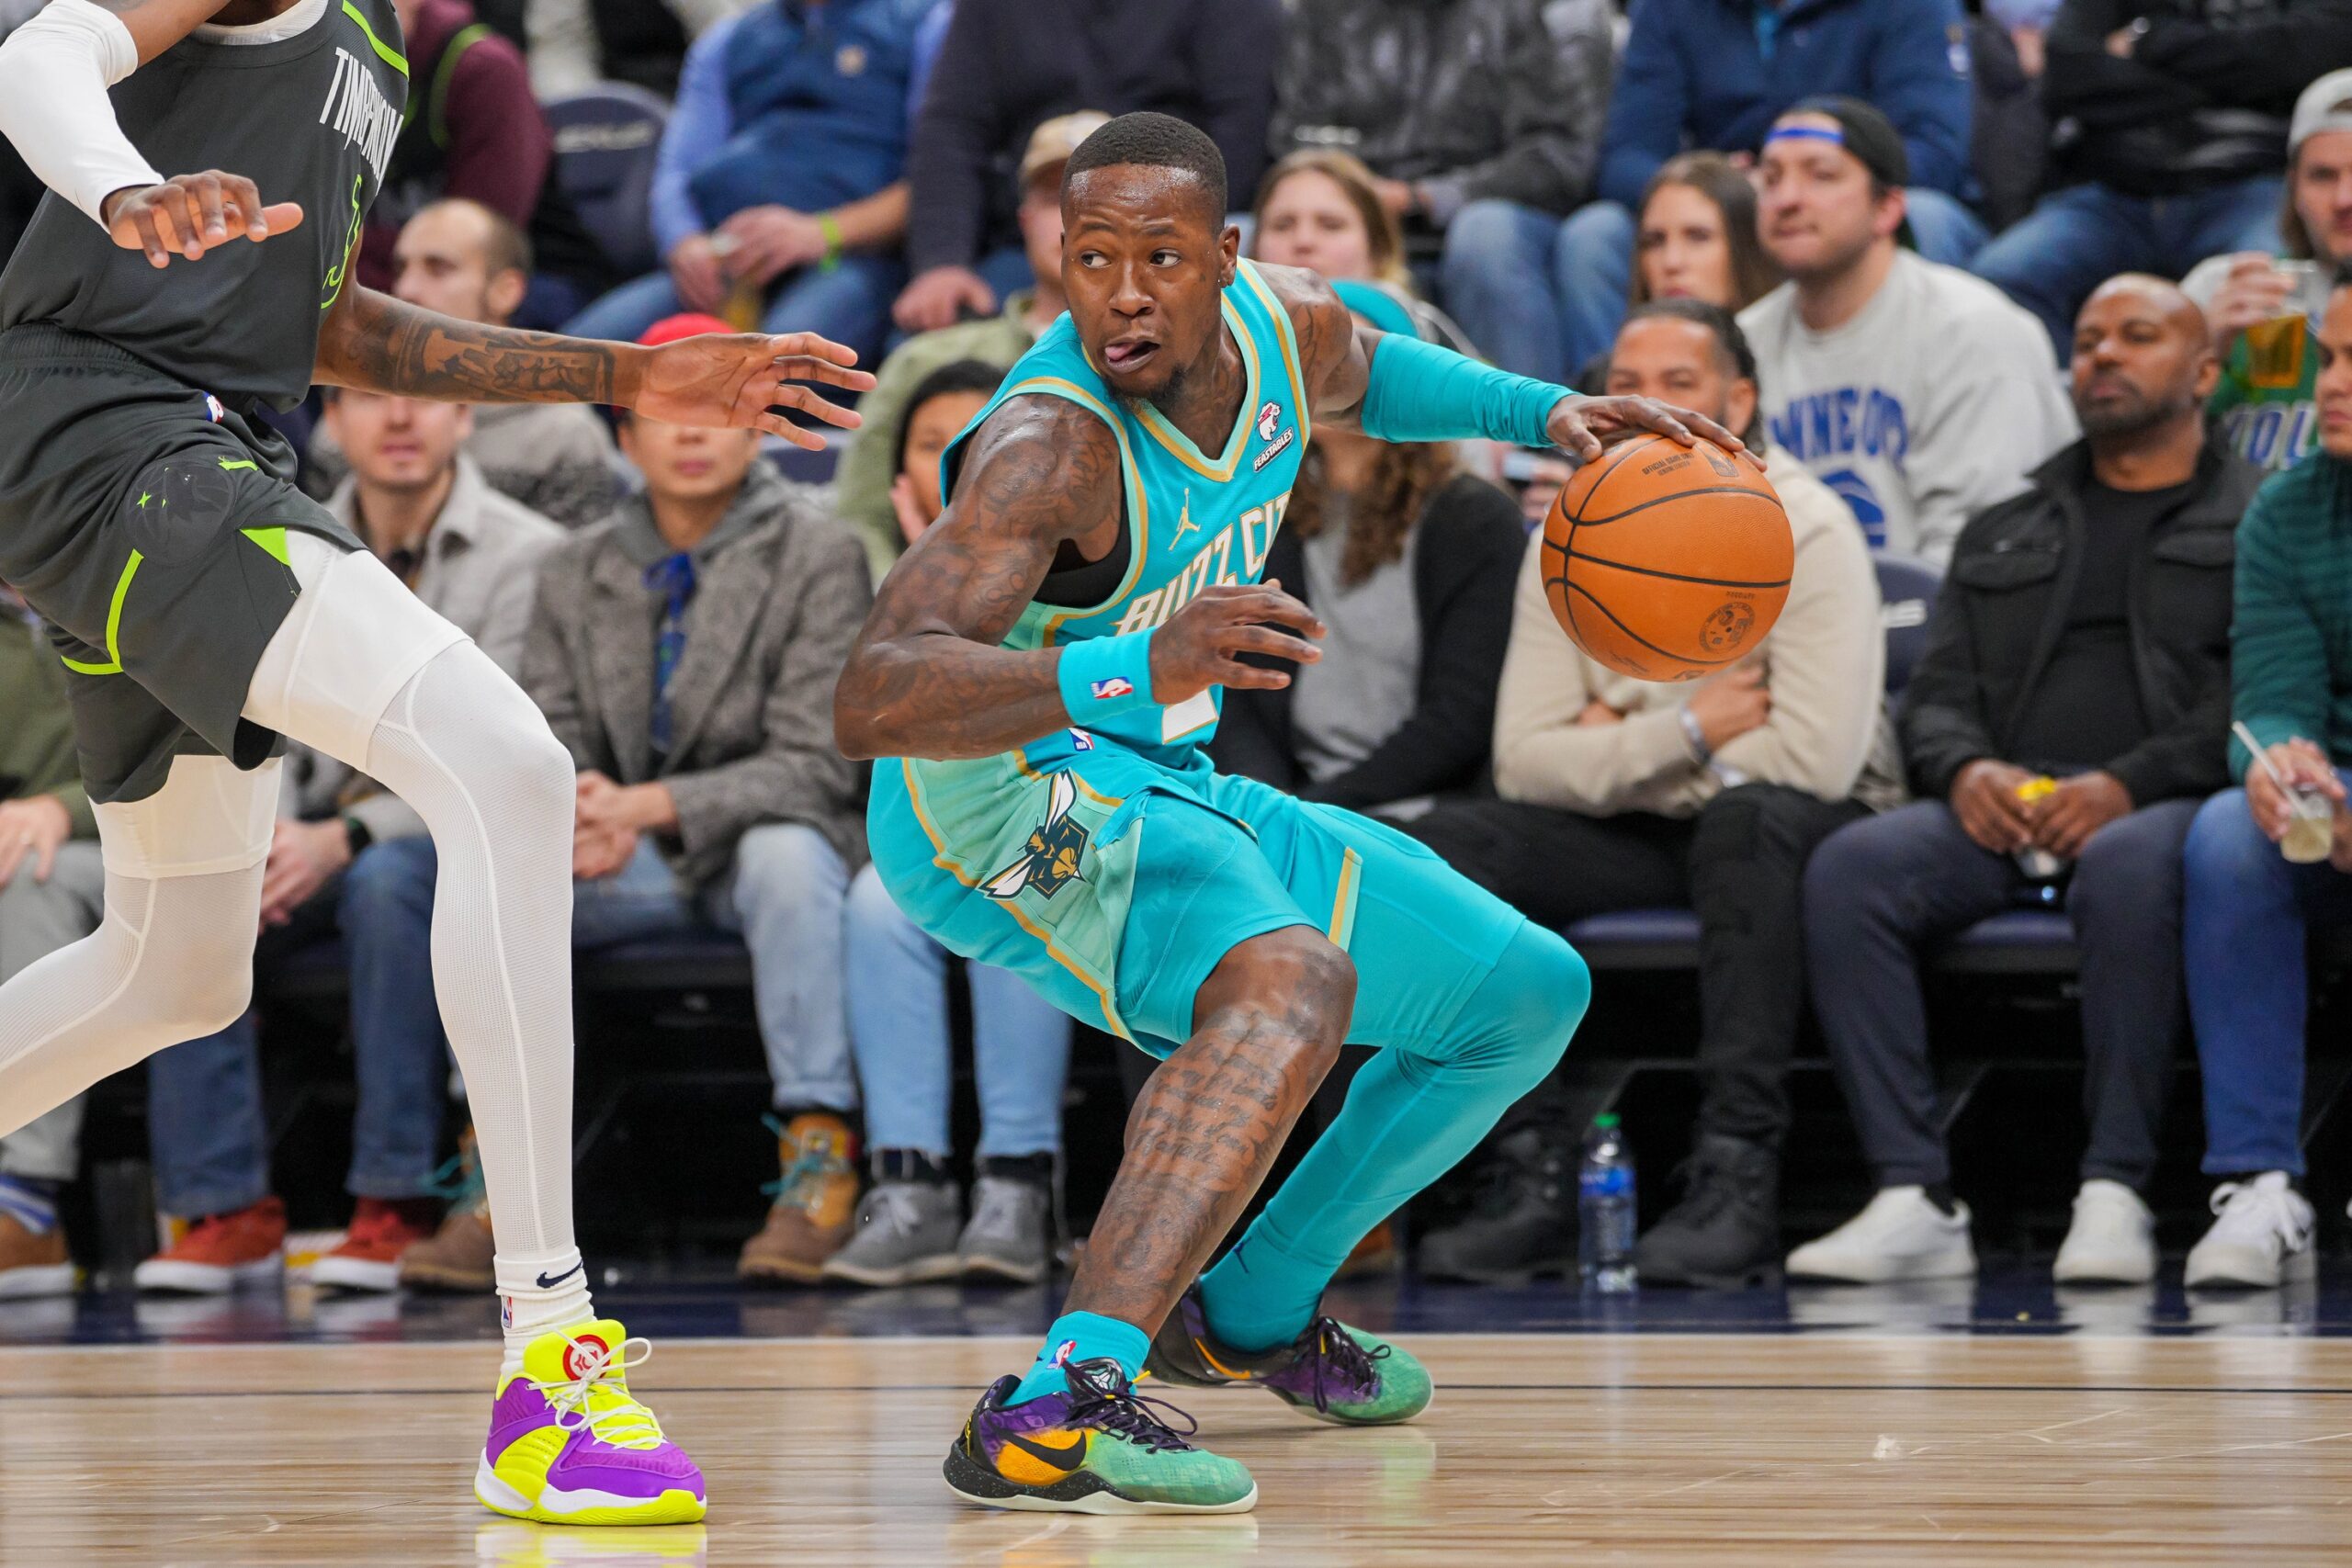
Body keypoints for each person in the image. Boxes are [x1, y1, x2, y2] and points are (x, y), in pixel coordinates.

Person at [0, 0, 874, 1522]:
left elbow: (330, 321)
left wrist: (622, 380)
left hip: (196, 442)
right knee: (512, 770)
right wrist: (119, 185)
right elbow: (39, 50)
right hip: (105, 430)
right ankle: (549, 1356)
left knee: (177, 970)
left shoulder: (388, 48)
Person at [835, 111, 1733, 1514]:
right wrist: (1140, 661)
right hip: (1003, 806)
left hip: (1159, 775)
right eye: (1092, 259)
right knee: (1292, 978)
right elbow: (876, 696)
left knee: (1524, 993)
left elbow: (1370, 368)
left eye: (1161, 258)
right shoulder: (1045, 447)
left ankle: (1250, 1309)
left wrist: (1543, 414)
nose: (1125, 292)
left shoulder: (1281, 323)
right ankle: (1055, 1403)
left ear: (1225, 259)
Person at [1406, 299, 1898, 1289]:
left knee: (1747, 820)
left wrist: (1616, 747)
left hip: (1793, 830)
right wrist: (1685, 731)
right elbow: (1524, 761)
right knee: (1461, 839)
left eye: (1681, 383)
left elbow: (1809, 761)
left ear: (1741, 400)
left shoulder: (1807, 524)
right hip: (1649, 820)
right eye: (1632, 383)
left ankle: (1735, 1176)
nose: (1651, 406)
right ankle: (1532, 1167)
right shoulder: (1575, 527)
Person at [1790, 276, 2254, 1288]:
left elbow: (2249, 697)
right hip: (2004, 805)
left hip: (2159, 804)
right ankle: (1912, 1191)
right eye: (2087, 341)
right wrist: (1963, 769)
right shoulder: (2008, 521)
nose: (2103, 357)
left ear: (2205, 373)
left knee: (2130, 867)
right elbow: (1938, 690)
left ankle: (2115, 1188)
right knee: (1851, 868)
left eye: (2137, 337)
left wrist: (2127, 784)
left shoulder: (2252, 519)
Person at [131, 386, 561, 1296]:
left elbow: (523, 748)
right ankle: (222, 1208)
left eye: (422, 401)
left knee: (389, 880)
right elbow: (256, 705)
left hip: (449, 833)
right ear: (330, 423)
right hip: (316, 814)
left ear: (465, 418)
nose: (400, 419)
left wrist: (349, 834)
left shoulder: (530, 553)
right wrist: (265, 830)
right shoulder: (288, 536)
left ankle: (394, 1199)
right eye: (370, 398)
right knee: (197, 878)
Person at [825, 358, 1077, 1289]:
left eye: (987, 451)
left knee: (1025, 881)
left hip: (1064, 830)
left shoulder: (1077, 578)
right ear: (901, 491)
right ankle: (908, 1183)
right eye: (937, 453)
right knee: (870, 901)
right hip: (917, 853)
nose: (965, 472)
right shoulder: (865, 592)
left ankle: (1018, 1177)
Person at [2175, 273, 2352, 1292]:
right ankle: (2257, 1182)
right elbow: (2272, 694)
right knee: (2224, 837)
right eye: (2326, 359)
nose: (2330, 386)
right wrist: (2276, 763)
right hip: (2339, 793)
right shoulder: (2287, 509)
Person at [1521, 0, 1982, 382]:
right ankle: (1606, 424)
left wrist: (1810, 181)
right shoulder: (1669, 7)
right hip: (1718, 196)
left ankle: (1896, 390)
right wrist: (1716, 188)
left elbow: (1934, 152)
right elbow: (1626, 155)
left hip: (1849, 188)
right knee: (1595, 234)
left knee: (1924, 216)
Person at [1740, 98, 2077, 565]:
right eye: (1771, 178)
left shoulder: (1974, 331)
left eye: (1821, 175)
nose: (1788, 198)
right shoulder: (1743, 343)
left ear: (1888, 208)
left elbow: (1983, 554)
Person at [563, 0, 937, 365]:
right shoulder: (730, 38)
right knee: (574, 360)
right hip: (725, 260)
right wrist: (685, 242)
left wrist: (821, 232)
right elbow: (676, 170)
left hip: (848, 256)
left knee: (769, 367)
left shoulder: (925, 22)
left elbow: (943, 173)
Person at [1973, 0, 2352, 357]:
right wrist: (2231, 86)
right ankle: (2085, 418)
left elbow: (2321, 51)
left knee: (2269, 290)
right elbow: (2066, 71)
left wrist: (2150, 43)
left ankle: (2253, 420)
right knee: (2002, 279)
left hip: (2249, 187)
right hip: (2116, 194)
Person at [892, 0, 1281, 334]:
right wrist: (942, 261)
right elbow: (952, 129)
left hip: (1168, 231)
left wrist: (1162, 235)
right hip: (1021, 240)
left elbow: (1239, 129)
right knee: (933, 344)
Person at [1268, 0, 1611, 375]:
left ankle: (1522, 421)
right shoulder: (1324, 11)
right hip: (1347, 194)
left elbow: (1560, 155)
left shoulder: (1541, 11)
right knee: (1242, 233)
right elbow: (1292, 134)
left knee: (1485, 236)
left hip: (1491, 210)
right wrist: (1346, 190)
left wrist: (1425, 197)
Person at [834, 112, 1106, 583]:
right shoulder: (923, 362)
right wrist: (912, 613)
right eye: (1053, 199)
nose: (1075, 218)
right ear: (1024, 220)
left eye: (1100, 198)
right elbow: (861, 518)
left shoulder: (1177, 366)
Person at [306, 199, 620, 527]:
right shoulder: (343, 429)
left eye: (438, 269)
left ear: (505, 292)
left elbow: (571, 572)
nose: (406, 290)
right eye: (401, 270)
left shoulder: (564, 436)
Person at [364, 0, 611, 327]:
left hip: (534, 278)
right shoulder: (325, 72)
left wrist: (337, 261)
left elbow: (468, 246)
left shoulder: (484, 68)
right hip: (396, 275)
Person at [0, 581, 105, 1300]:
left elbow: (199, 749)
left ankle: (25, 1201)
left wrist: (62, 808)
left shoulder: (135, 576)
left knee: (35, 878)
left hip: (135, 840)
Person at [2179, 71, 2352, 476]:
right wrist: (2196, 356)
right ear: (2293, 189)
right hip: (2220, 531)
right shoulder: (2222, 288)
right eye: (2322, 176)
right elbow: (2128, 454)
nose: (2345, 199)